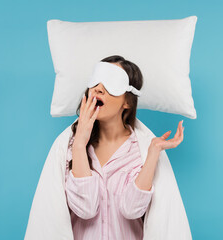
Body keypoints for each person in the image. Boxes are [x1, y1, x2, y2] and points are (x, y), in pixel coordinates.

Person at [65, 55, 185, 240]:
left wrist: (153, 153)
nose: (98, 88)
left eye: (110, 82)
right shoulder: (71, 147)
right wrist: (80, 142)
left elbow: (132, 210)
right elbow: (85, 209)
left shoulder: (140, 151)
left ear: (127, 101)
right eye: (95, 81)